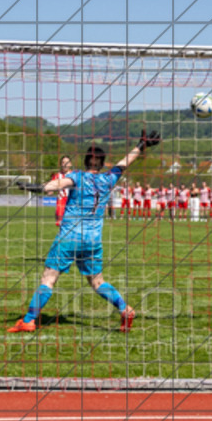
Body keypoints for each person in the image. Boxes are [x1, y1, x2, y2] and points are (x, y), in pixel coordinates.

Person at [8, 129, 162, 334]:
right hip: (92, 240)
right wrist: (141, 146)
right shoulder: (109, 179)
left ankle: (28, 320)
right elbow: (124, 163)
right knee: (97, 281)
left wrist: (33, 186)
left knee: (48, 278)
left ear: (86, 160)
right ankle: (125, 308)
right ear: (102, 162)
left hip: (69, 237)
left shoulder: (77, 176)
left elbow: (53, 186)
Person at [51, 156, 72, 227]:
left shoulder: (74, 175)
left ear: (70, 164)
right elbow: (51, 189)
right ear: (61, 164)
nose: (65, 164)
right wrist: (50, 191)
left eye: (67, 162)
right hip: (61, 203)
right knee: (61, 225)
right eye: (63, 162)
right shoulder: (57, 176)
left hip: (72, 203)